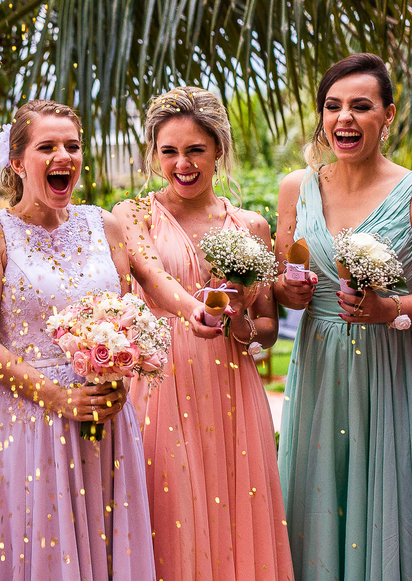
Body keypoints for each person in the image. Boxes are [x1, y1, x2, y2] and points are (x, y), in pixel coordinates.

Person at [272, 53, 412, 580]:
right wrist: (289, 290)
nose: (345, 119)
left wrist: (393, 308)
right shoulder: (296, 188)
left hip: (396, 368)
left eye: (361, 106)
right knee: (321, 494)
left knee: (397, 501)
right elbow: (282, 286)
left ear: (388, 115)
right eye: (333, 106)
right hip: (320, 369)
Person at [0, 100, 155, 580]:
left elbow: (127, 316)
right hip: (29, 419)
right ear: (18, 162)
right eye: (48, 146)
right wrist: (58, 398)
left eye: (73, 145)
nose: (64, 155)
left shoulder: (104, 224)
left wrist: (120, 373)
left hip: (105, 416)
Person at [115, 87, 292, 581]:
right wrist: (195, 308)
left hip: (230, 390)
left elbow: (267, 332)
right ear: (153, 155)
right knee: (166, 510)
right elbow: (150, 278)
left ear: (218, 150)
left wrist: (237, 314)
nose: (182, 163)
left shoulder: (251, 227)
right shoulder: (134, 215)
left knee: (232, 513)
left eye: (195, 149)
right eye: (168, 151)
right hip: (157, 387)